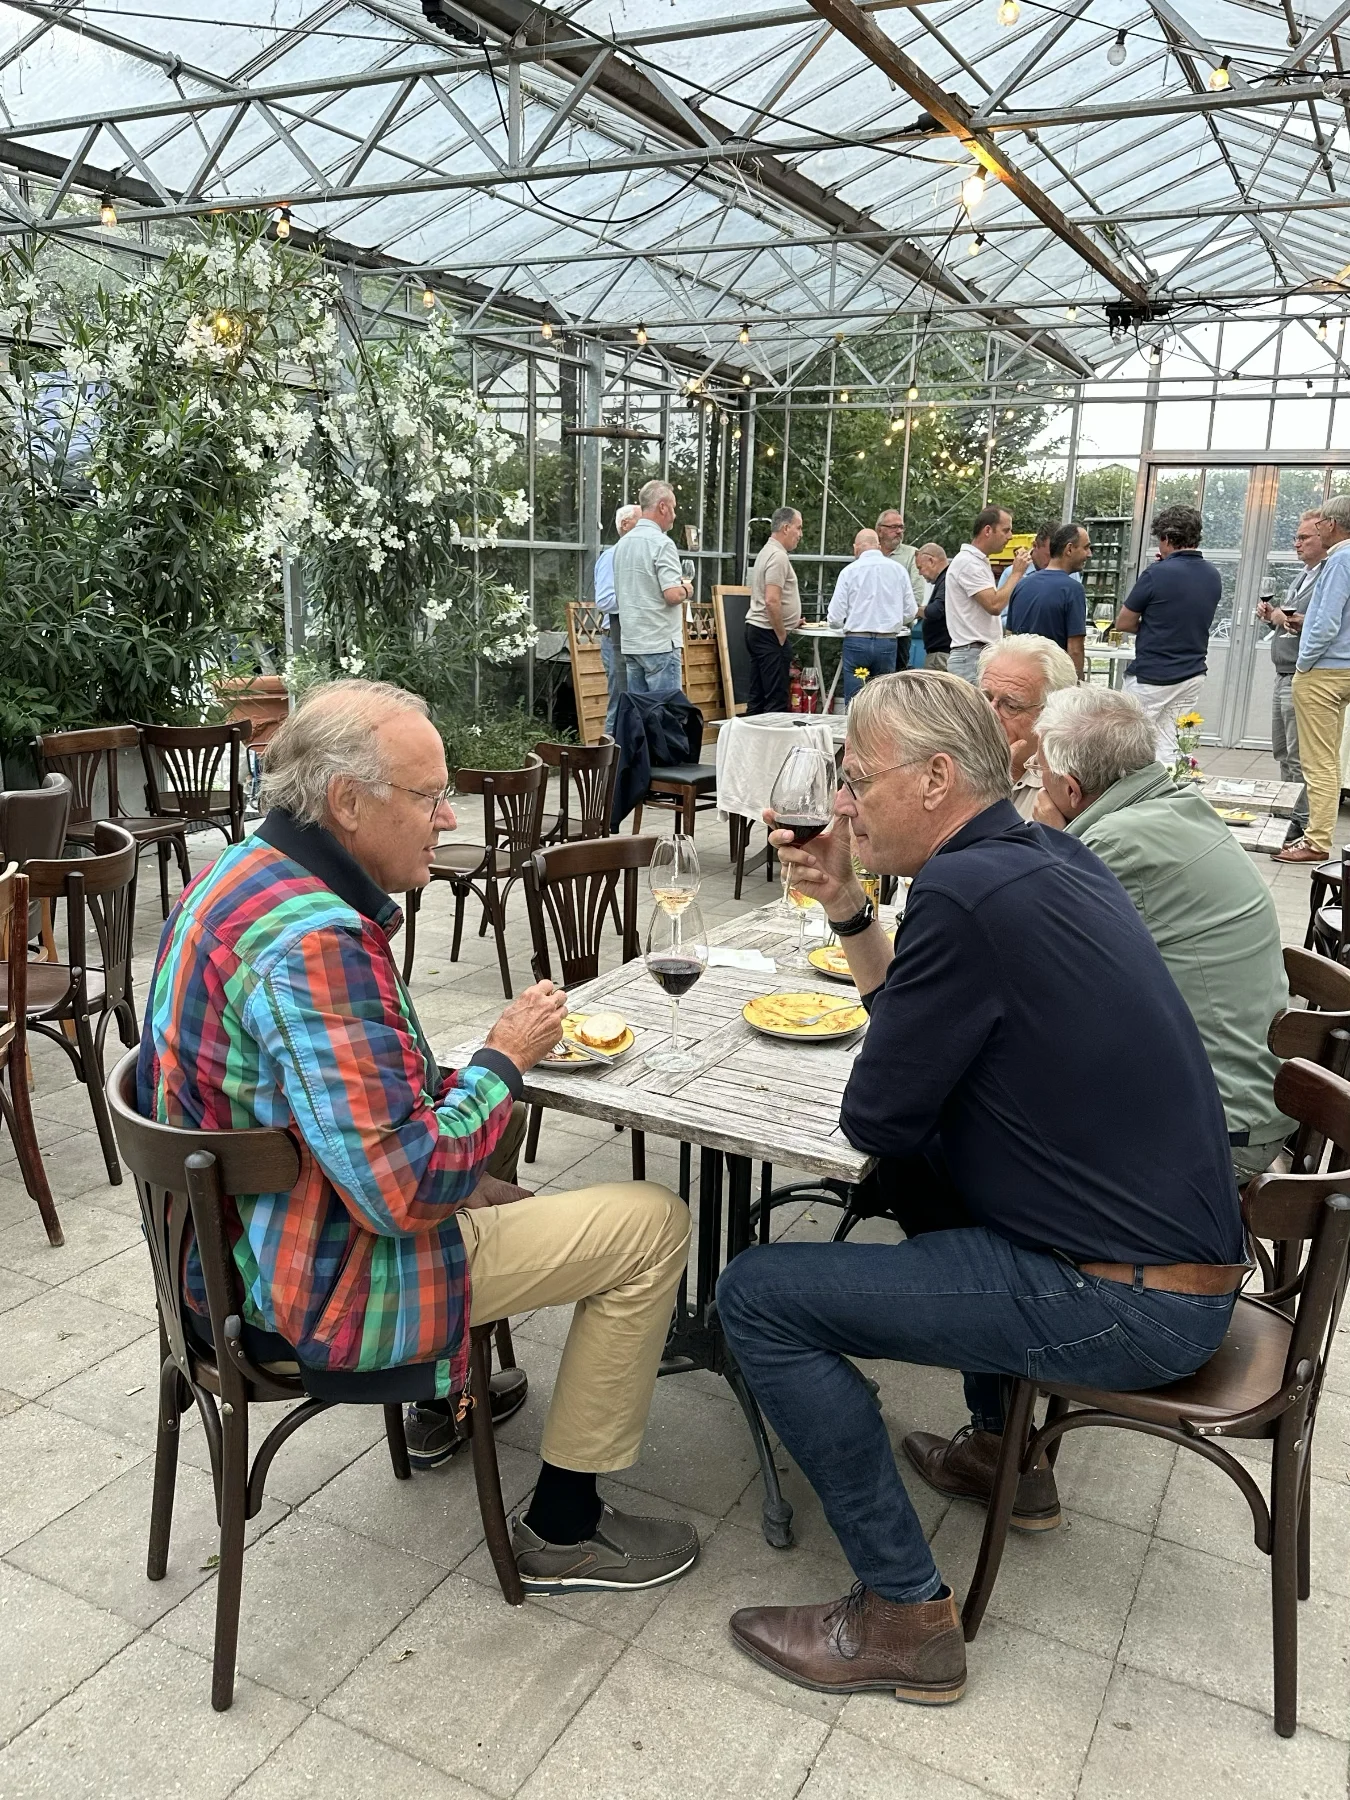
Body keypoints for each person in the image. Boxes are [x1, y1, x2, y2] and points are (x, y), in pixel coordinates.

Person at [716, 671, 1242, 1704]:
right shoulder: (1039, 854)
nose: (844, 804)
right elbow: (920, 1064)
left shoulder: (962, 894)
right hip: (1180, 1264)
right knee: (927, 1186)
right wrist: (848, 905)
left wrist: (906, 1055)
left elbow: (875, 1117)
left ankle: (902, 1615)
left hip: (1128, 1304)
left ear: (935, 778)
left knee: (757, 1296)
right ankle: (1009, 1457)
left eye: (857, 778)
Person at [139, 680, 699, 1595]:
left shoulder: (243, 876)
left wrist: (470, 1140)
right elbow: (402, 1191)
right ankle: (565, 1528)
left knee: (489, 1146)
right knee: (651, 1222)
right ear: (347, 802)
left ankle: (444, 1404)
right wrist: (503, 1060)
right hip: (311, 1288)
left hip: (222, 1258)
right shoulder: (317, 942)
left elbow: (357, 1100)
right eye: (430, 796)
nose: (448, 818)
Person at [1036, 685, 1291, 1180]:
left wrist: (1047, 839)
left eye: (1038, 773)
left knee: (988, 1129)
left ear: (1070, 789)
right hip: (1249, 1101)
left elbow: (1037, 962)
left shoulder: (1113, 843)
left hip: (1219, 1133)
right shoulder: (1178, 804)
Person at [1115, 504, 1220, 763]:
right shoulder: (1212, 574)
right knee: (1171, 744)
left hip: (1153, 675)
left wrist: (1151, 626)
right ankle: (1172, 785)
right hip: (1192, 673)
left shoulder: (1156, 574)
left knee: (1127, 743)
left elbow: (1124, 622)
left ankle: (1130, 788)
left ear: (1166, 538)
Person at [1277, 493, 1350, 864]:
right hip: (1344, 668)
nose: (1318, 531)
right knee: (1330, 760)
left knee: (1318, 761)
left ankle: (1316, 840)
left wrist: (1304, 664)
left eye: (1319, 525)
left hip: (1324, 672)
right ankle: (1318, 835)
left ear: (1331, 524)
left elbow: (1326, 622)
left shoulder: (1339, 560)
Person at [1259, 511, 1322, 847]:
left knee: (1299, 755)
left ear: (1324, 537)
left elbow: (1319, 622)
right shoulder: (1304, 575)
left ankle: (1302, 822)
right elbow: (1288, 620)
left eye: (1304, 537)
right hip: (1282, 673)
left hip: (1302, 674)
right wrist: (1272, 616)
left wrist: (1287, 618)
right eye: (1296, 537)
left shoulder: (1329, 575)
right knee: (1282, 751)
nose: (1297, 543)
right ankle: (1288, 812)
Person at [977, 634, 1077, 818]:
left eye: (1010, 706)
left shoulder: (1063, 788)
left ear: (1051, 714)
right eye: (985, 698)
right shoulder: (953, 760)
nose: (990, 714)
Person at [613, 478, 693, 698]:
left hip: (632, 642)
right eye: (673, 508)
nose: (674, 515)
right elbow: (672, 595)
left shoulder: (622, 545)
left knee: (641, 711)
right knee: (666, 711)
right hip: (660, 643)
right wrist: (687, 589)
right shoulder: (662, 543)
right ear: (662, 507)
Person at [827, 527, 917, 704]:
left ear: (856, 548)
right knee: (882, 701)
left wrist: (842, 625)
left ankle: (853, 721)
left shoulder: (849, 571)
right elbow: (910, 612)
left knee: (855, 700)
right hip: (887, 642)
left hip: (856, 641)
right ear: (878, 546)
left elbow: (835, 617)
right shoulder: (898, 570)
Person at [943, 505, 1032, 685]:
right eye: (1006, 530)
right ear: (988, 530)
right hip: (972, 656)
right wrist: (1016, 573)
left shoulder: (977, 561)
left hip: (977, 653)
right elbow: (994, 605)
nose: (1010, 536)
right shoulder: (969, 563)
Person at [1005, 521, 1091, 674]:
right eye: (1086, 547)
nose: (1089, 554)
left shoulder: (1021, 585)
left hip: (1020, 674)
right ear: (1069, 549)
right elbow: (1075, 649)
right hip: (1053, 677)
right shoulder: (1073, 589)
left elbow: (1009, 636)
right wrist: (1078, 683)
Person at [746, 506, 803, 713]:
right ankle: (771, 734)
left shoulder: (766, 551)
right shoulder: (778, 556)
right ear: (786, 528)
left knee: (758, 695)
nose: (800, 534)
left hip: (759, 629)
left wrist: (791, 620)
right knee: (775, 699)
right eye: (798, 528)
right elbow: (771, 600)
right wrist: (781, 633)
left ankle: (750, 731)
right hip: (769, 633)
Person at [595, 502, 641, 737]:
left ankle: (631, 753)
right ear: (625, 524)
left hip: (637, 637)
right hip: (616, 638)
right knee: (620, 701)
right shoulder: (611, 557)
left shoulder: (640, 557)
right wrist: (640, 598)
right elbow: (604, 601)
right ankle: (610, 755)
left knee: (636, 701)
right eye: (641, 522)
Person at [876, 510, 927, 670]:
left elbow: (916, 597)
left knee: (895, 678)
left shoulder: (912, 555)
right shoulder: (869, 554)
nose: (899, 531)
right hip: (868, 633)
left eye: (901, 527)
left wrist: (890, 620)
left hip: (898, 633)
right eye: (893, 527)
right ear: (880, 530)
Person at [915, 542, 951, 672]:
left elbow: (936, 610)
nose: (920, 573)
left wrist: (916, 610)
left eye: (920, 567)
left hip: (940, 655)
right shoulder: (945, 579)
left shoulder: (947, 579)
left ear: (931, 561)